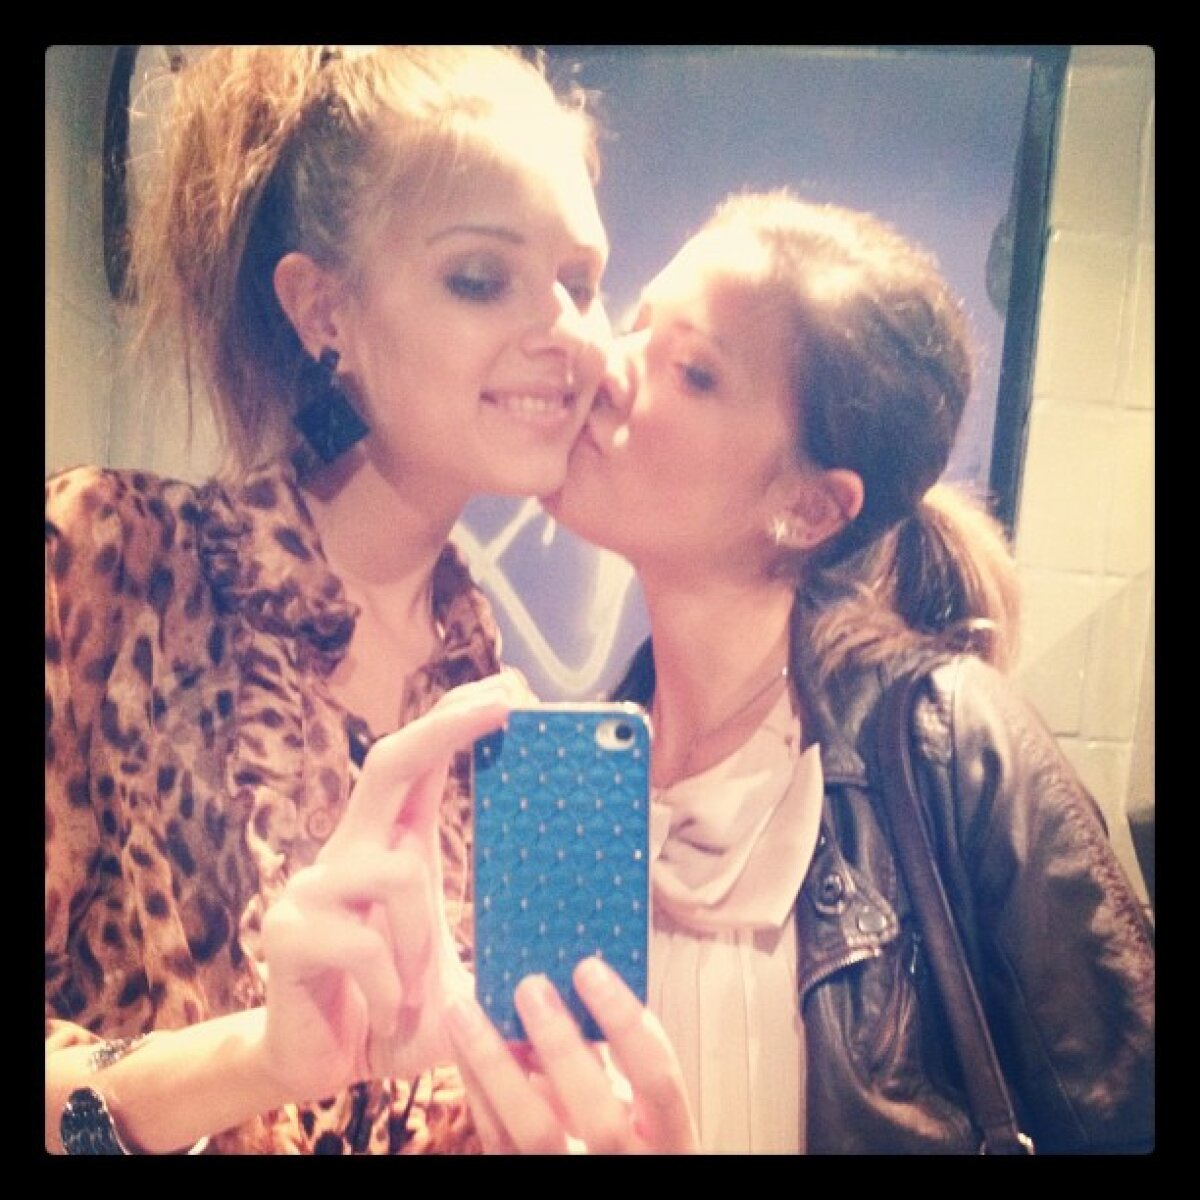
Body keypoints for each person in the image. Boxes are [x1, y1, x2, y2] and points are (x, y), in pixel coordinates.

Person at [446, 190, 1156, 1154]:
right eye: (636, 323)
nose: (606, 366)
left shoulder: (949, 747)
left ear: (811, 509)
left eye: (693, 371)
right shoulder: (578, 772)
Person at [45, 44, 612, 1155]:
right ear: (322, 310)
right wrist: (259, 1059)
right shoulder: (107, 564)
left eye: (582, 283)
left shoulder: (496, 710)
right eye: (480, 276)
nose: (566, 330)